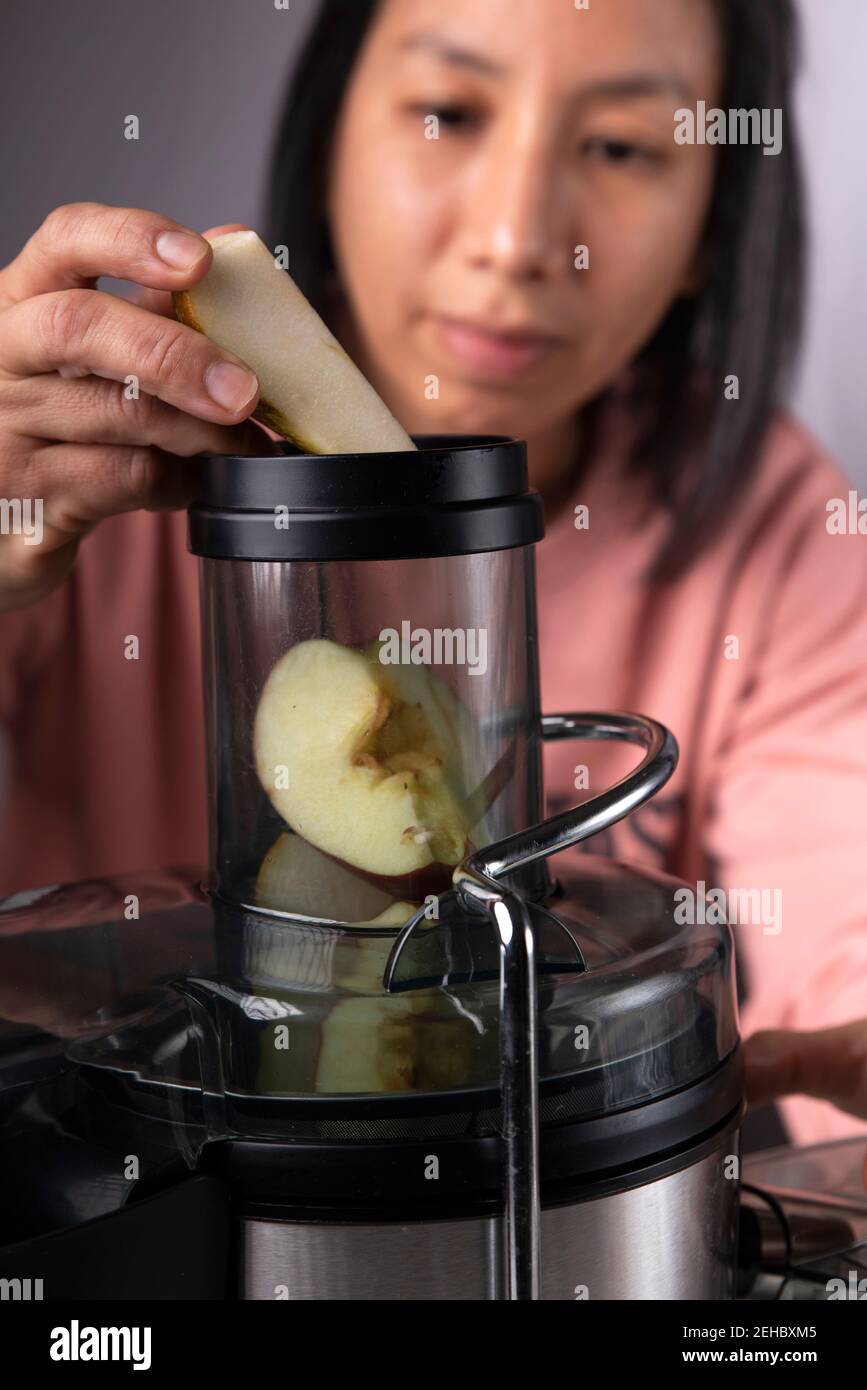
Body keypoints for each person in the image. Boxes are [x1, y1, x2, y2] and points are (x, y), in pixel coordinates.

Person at [0, 0, 865, 1147]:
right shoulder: (83, 462)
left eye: (619, 145)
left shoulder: (777, 527)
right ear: (332, 134)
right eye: (448, 112)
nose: (514, 236)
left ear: (715, 217)